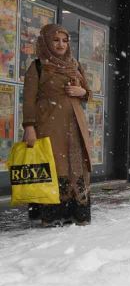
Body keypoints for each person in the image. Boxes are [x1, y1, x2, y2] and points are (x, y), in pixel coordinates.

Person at [22, 24, 92, 226]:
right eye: (56, 40)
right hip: (49, 125)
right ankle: (51, 215)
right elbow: (28, 100)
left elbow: (88, 93)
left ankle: (77, 213)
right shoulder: (38, 66)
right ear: (45, 42)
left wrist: (82, 93)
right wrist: (29, 126)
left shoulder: (75, 65)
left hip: (76, 126)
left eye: (64, 40)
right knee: (54, 167)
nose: (61, 44)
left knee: (76, 167)